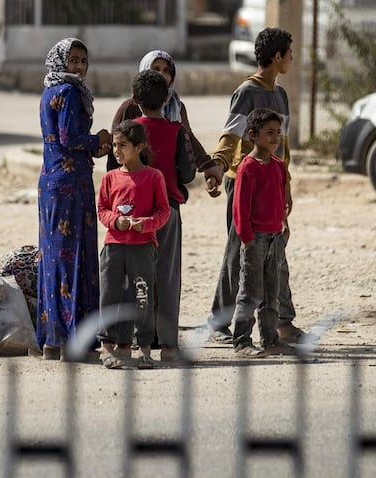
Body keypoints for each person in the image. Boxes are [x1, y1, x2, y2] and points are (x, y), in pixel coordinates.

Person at [206, 27, 309, 345]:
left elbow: (284, 147)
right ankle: (220, 322)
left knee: (275, 252)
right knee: (239, 252)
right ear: (277, 57)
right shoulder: (247, 92)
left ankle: (282, 322)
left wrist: (286, 184)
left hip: (272, 184)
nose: (292, 58)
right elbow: (230, 136)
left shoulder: (281, 95)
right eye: (289, 53)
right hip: (244, 182)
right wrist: (218, 166)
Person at [36, 38, 112, 361]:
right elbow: (69, 138)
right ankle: (72, 340)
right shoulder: (68, 93)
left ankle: (53, 340)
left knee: (53, 258)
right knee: (73, 256)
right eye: (73, 60)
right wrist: (100, 141)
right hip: (71, 184)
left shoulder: (48, 91)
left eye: (83, 61)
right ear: (61, 62)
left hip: (51, 182)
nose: (79, 67)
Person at [129, 69, 195, 363]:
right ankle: (168, 345)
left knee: (138, 277)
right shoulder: (175, 131)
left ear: (134, 100)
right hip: (167, 210)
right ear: (167, 97)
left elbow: (113, 168)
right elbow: (188, 172)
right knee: (167, 277)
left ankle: (139, 342)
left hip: (135, 212)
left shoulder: (128, 131)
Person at [97, 119, 170, 369]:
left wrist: (146, 223)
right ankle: (107, 348)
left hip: (142, 247)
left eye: (123, 145)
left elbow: (163, 211)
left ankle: (144, 349)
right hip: (114, 246)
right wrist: (116, 222)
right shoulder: (109, 178)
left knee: (142, 297)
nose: (117, 150)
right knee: (109, 296)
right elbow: (102, 209)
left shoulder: (153, 177)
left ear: (139, 147)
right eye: (115, 145)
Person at [107, 49, 223, 196]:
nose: (161, 74)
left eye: (166, 71)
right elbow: (115, 148)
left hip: (168, 189)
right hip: (135, 189)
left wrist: (208, 166)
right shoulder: (130, 107)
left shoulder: (177, 107)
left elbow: (188, 138)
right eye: (155, 69)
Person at [231, 108, 291, 357]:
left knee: (272, 291)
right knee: (250, 292)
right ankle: (242, 341)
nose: (275, 138)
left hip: (275, 237)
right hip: (255, 238)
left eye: (278, 132)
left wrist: (284, 224)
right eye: (269, 133)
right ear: (253, 135)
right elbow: (240, 208)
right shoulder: (248, 168)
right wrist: (247, 237)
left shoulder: (278, 166)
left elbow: (281, 200)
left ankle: (270, 340)